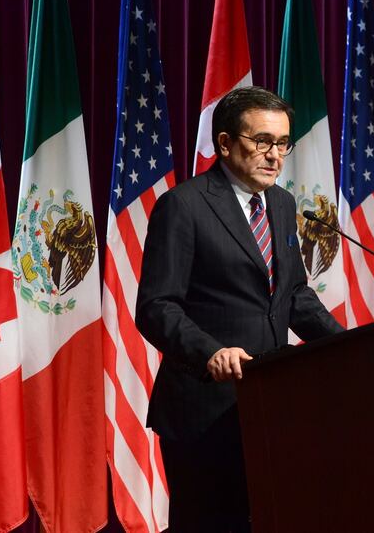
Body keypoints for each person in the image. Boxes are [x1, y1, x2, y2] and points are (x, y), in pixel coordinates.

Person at [136, 87, 344, 531]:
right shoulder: (185, 205)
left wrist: (352, 348)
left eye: (283, 143)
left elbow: (295, 297)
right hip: (205, 408)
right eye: (262, 141)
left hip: (269, 406)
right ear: (226, 143)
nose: (275, 155)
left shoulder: (282, 205)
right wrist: (210, 352)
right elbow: (157, 306)